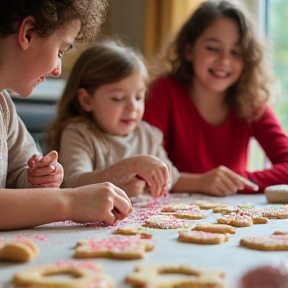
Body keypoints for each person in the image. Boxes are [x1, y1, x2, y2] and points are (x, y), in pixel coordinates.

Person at [0, 0, 131, 231]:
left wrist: (39, 179)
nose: (57, 70)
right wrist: (70, 202)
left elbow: (19, 177)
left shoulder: (4, 107)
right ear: (28, 33)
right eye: (60, 51)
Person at [143, 0, 288, 196]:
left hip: (229, 214)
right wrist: (200, 182)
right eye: (213, 48)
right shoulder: (163, 92)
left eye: (236, 52)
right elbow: (144, 166)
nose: (224, 61)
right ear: (188, 49)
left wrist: (235, 181)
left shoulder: (251, 102)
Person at [46, 39, 173, 199]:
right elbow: (73, 182)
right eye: (118, 98)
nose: (133, 107)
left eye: (139, 97)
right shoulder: (79, 134)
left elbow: (172, 176)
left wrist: (202, 181)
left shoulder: (147, 134)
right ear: (87, 100)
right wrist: (131, 168)